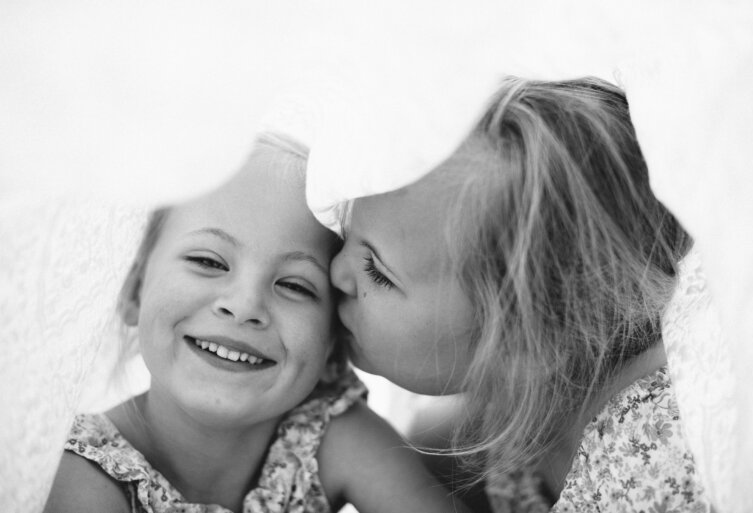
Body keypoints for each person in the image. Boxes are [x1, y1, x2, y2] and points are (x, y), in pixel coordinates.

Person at [330, 77, 714, 511]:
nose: (334, 271)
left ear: (527, 338)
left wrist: (355, 448)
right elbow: (417, 450)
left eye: (376, 272)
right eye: (345, 236)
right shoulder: (538, 384)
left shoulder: (652, 461)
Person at [43, 133, 468, 513]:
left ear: (332, 341)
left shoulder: (326, 434)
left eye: (296, 287)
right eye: (208, 261)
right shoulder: (79, 474)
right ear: (134, 291)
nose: (244, 306)